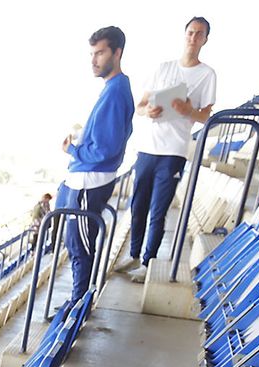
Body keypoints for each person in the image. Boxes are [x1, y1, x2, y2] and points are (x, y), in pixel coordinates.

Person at [119, 16, 218, 282]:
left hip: (173, 151)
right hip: (147, 148)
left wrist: (189, 111)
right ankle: (134, 253)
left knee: (158, 210)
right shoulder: (163, 68)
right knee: (138, 205)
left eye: (199, 34)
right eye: (190, 32)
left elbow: (206, 116)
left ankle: (148, 261)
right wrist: (147, 111)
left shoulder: (207, 74)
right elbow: (140, 106)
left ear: (205, 39)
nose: (193, 38)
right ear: (183, 34)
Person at [59, 27, 134, 306]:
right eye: (92, 53)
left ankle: (79, 305)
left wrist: (74, 149)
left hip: (90, 182)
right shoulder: (113, 89)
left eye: (100, 53)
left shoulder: (116, 91)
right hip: (83, 179)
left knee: (81, 247)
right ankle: (77, 302)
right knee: (75, 244)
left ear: (117, 52)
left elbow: (107, 147)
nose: (94, 60)